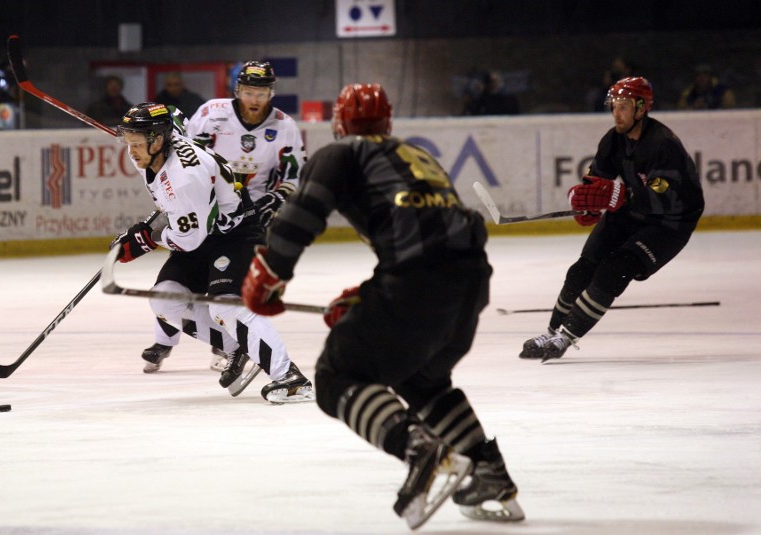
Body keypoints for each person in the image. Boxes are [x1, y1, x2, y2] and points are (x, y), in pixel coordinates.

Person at [241, 83, 524, 528]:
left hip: (420, 282)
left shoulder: (342, 153)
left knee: (336, 376)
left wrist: (270, 272)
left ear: (339, 123)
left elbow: (303, 211)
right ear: (388, 122)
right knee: (420, 377)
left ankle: (419, 449)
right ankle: (488, 471)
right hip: (470, 283)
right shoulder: (415, 156)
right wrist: (366, 297)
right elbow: (434, 235)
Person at [113, 102, 314, 404]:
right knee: (164, 298)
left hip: (235, 236)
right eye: (128, 142)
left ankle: (290, 378)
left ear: (158, 139)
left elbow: (190, 240)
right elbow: (176, 117)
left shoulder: (186, 176)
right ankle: (238, 347)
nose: (132, 151)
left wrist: (148, 239)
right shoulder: (161, 145)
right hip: (206, 231)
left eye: (138, 143)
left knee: (226, 307)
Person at [520, 77, 705, 362]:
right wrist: (588, 204)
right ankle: (552, 330)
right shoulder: (613, 139)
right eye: (614, 106)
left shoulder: (663, 144)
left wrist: (621, 196)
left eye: (624, 107)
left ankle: (566, 338)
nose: (616, 113)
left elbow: (665, 196)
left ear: (641, 109)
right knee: (582, 268)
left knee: (615, 269)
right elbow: (598, 181)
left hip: (670, 221)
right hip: (632, 211)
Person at [140, 60, 306, 374]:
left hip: (244, 221)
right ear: (236, 90)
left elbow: (293, 176)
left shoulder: (284, 127)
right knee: (170, 288)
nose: (254, 99)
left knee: (225, 295)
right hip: (202, 211)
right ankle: (170, 339)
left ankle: (237, 345)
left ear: (271, 92)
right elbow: (180, 152)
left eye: (261, 92)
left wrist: (275, 198)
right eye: (247, 91)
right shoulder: (210, 114)